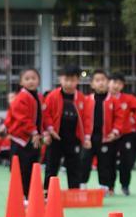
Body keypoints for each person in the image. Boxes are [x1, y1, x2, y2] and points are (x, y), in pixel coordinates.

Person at [43, 66, 90, 190]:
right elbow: (45, 115)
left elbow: (87, 119)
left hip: (74, 138)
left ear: (78, 81)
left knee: (74, 167)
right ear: (60, 79)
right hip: (55, 138)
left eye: (73, 80)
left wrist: (86, 137)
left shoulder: (81, 98)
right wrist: (48, 131)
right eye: (66, 80)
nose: (69, 83)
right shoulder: (52, 96)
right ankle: (47, 193)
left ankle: (74, 192)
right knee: (51, 167)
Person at [5, 68, 44, 199]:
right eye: (27, 79)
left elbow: (40, 117)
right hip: (21, 139)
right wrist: (34, 132)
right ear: (21, 82)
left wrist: (44, 132)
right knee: (21, 168)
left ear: (38, 80)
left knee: (32, 167)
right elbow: (23, 118)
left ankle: (30, 194)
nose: (31, 81)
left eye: (34, 78)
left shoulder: (38, 97)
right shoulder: (21, 97)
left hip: (33, 138)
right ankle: (21, 195)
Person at [109, 73, 136, 196]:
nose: (116, 85)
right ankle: (110, 186)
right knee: (109, 161)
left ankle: (125, 186)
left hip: (126, 135)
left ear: (123, 86)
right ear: (109, 83)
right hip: (109, 136)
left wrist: (133, 120)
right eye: (114, 82)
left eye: (119, 83)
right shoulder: (104, 98)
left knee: (126, 161)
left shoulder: (128, 99)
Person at [80, 69, 111, 188]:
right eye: (97, 80)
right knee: (84, 161)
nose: (101, 83)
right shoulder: (87, 100)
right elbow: (82, 119)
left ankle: (104, 186)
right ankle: (82, 184)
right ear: (92, 84)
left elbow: (119, 117)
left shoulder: (111, 100)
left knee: (104, 163)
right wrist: (84, 137)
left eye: (103, 80)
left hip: (105, 138)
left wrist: (114, 132)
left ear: (107, 82)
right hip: (89, 138)